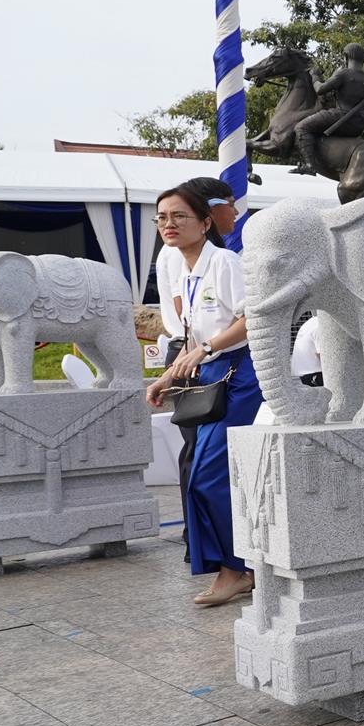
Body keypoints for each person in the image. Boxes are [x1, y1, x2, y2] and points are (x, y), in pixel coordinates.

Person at [148, 179, 258, 607]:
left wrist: (207, 349)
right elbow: (194, 337)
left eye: (179, 216)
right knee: (203, 475)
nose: (169, 224)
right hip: (209, 374)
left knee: (207, 476)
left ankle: (237, 571)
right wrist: (167, 377)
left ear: (205, 222)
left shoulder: (225, 262)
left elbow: (251, 319)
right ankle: (238, 569)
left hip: (240, 374)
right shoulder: (186, 270)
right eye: (162, 218)